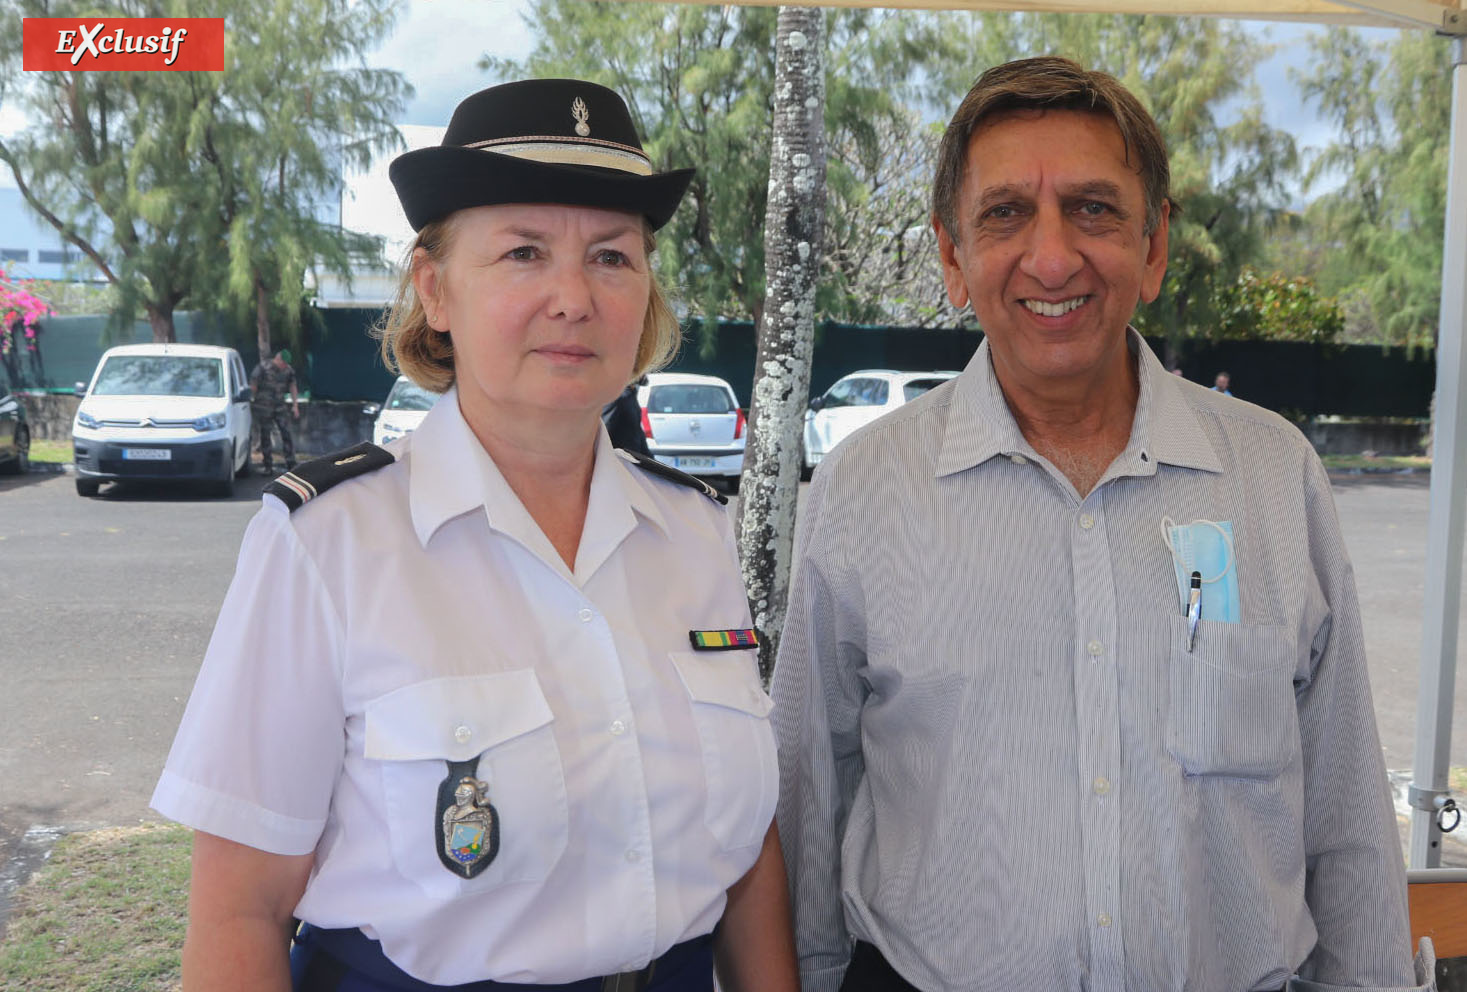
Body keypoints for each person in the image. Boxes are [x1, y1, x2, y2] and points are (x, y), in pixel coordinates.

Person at [771, 56, 1430, 992]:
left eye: (1093, 208)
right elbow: (806, 794)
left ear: (1153, 248)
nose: (1050, 257)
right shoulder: (859, 492)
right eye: (1004, 213)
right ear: (952, 257)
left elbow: (1347, 809)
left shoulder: (1276, 476)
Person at [152, 78, 797, 992]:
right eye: (524, 252)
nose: (574, 296)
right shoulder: (330, 544)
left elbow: (746, 852)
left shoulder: (695, 532)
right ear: (435, 290)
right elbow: (237, 910)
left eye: (613, 258)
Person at [250, 348, 300, 473]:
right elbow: (253, 384)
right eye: (283, 364)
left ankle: (291, 463)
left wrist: (295, 405)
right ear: (277, 359)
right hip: (264, 408)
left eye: (286, 365)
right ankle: (268, 466)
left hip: (280, 408)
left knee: (286, 434)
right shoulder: (263, 367)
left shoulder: (288, 371)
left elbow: (293, 386)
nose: (285, 367)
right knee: (265, 436)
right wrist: (251, 400)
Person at [603, 376, 651, 456]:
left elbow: (637, 433)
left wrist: (650, 462)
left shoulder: (630, 396)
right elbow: (605, 431)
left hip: (632, 459)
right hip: (619, 460)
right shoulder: (619, 398)